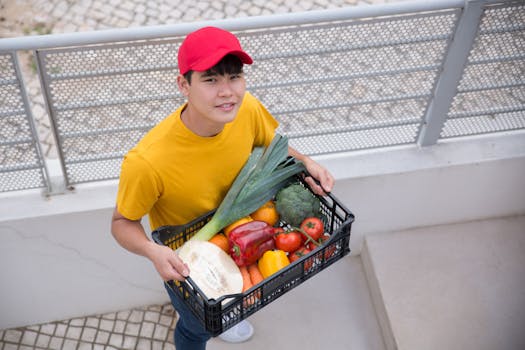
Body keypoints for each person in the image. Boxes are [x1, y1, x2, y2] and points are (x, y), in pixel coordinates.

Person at [111, 26, 334, 349]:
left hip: (246, 239)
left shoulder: (247, 109)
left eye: (234, 77)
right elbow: (121, 222)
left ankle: (227, 315)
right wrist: (152, 251)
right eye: (211, 80)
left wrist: (306, 162)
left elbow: (273, 147)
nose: (227, 91)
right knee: (196, 329)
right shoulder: (147, 161)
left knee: (233, 304)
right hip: (190, 266)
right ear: (183, 85)